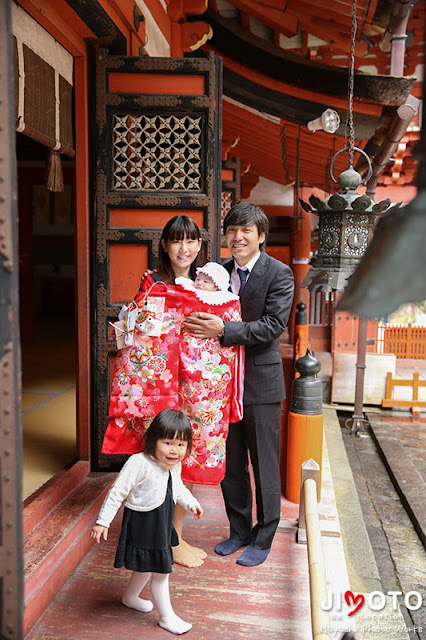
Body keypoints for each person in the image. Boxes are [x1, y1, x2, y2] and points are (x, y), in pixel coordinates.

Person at [102, 216, 243, 569]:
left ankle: (174, 536)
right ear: (164, 245)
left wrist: (218, 330)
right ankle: (154, 536)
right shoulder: (152, 283)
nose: (184, 248)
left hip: (198, 388)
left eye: (191, 241)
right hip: (159, 384)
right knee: (154, 458)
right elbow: (137, 331)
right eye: (177, 241)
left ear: (199, 246)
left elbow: (227, 327)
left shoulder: (212, 288)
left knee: (187, 454)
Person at [184, 202, 295, 567]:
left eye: (246, 231)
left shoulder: (279, 274)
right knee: (230, 464)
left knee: (263, 463)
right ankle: (239, 530)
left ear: (260, 236)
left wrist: (224, 331)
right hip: (220, 387)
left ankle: (264, 537)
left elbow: (272, 327)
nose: (237, 237)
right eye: (232, 230)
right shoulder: (217, 273)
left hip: (260, 385)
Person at [91, 409, 203, 636]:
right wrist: (103, 522)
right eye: (168, 442)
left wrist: (191, 502)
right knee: (161, 570)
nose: (175, 451)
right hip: (144, 522)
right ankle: (167, 617)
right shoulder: (138, 463)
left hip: (161, 521)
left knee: (150, 564)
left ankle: (130, 597)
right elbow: (117, 493)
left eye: (181, 445)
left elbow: (178, 487)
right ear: (153, 441)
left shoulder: (174, 464)